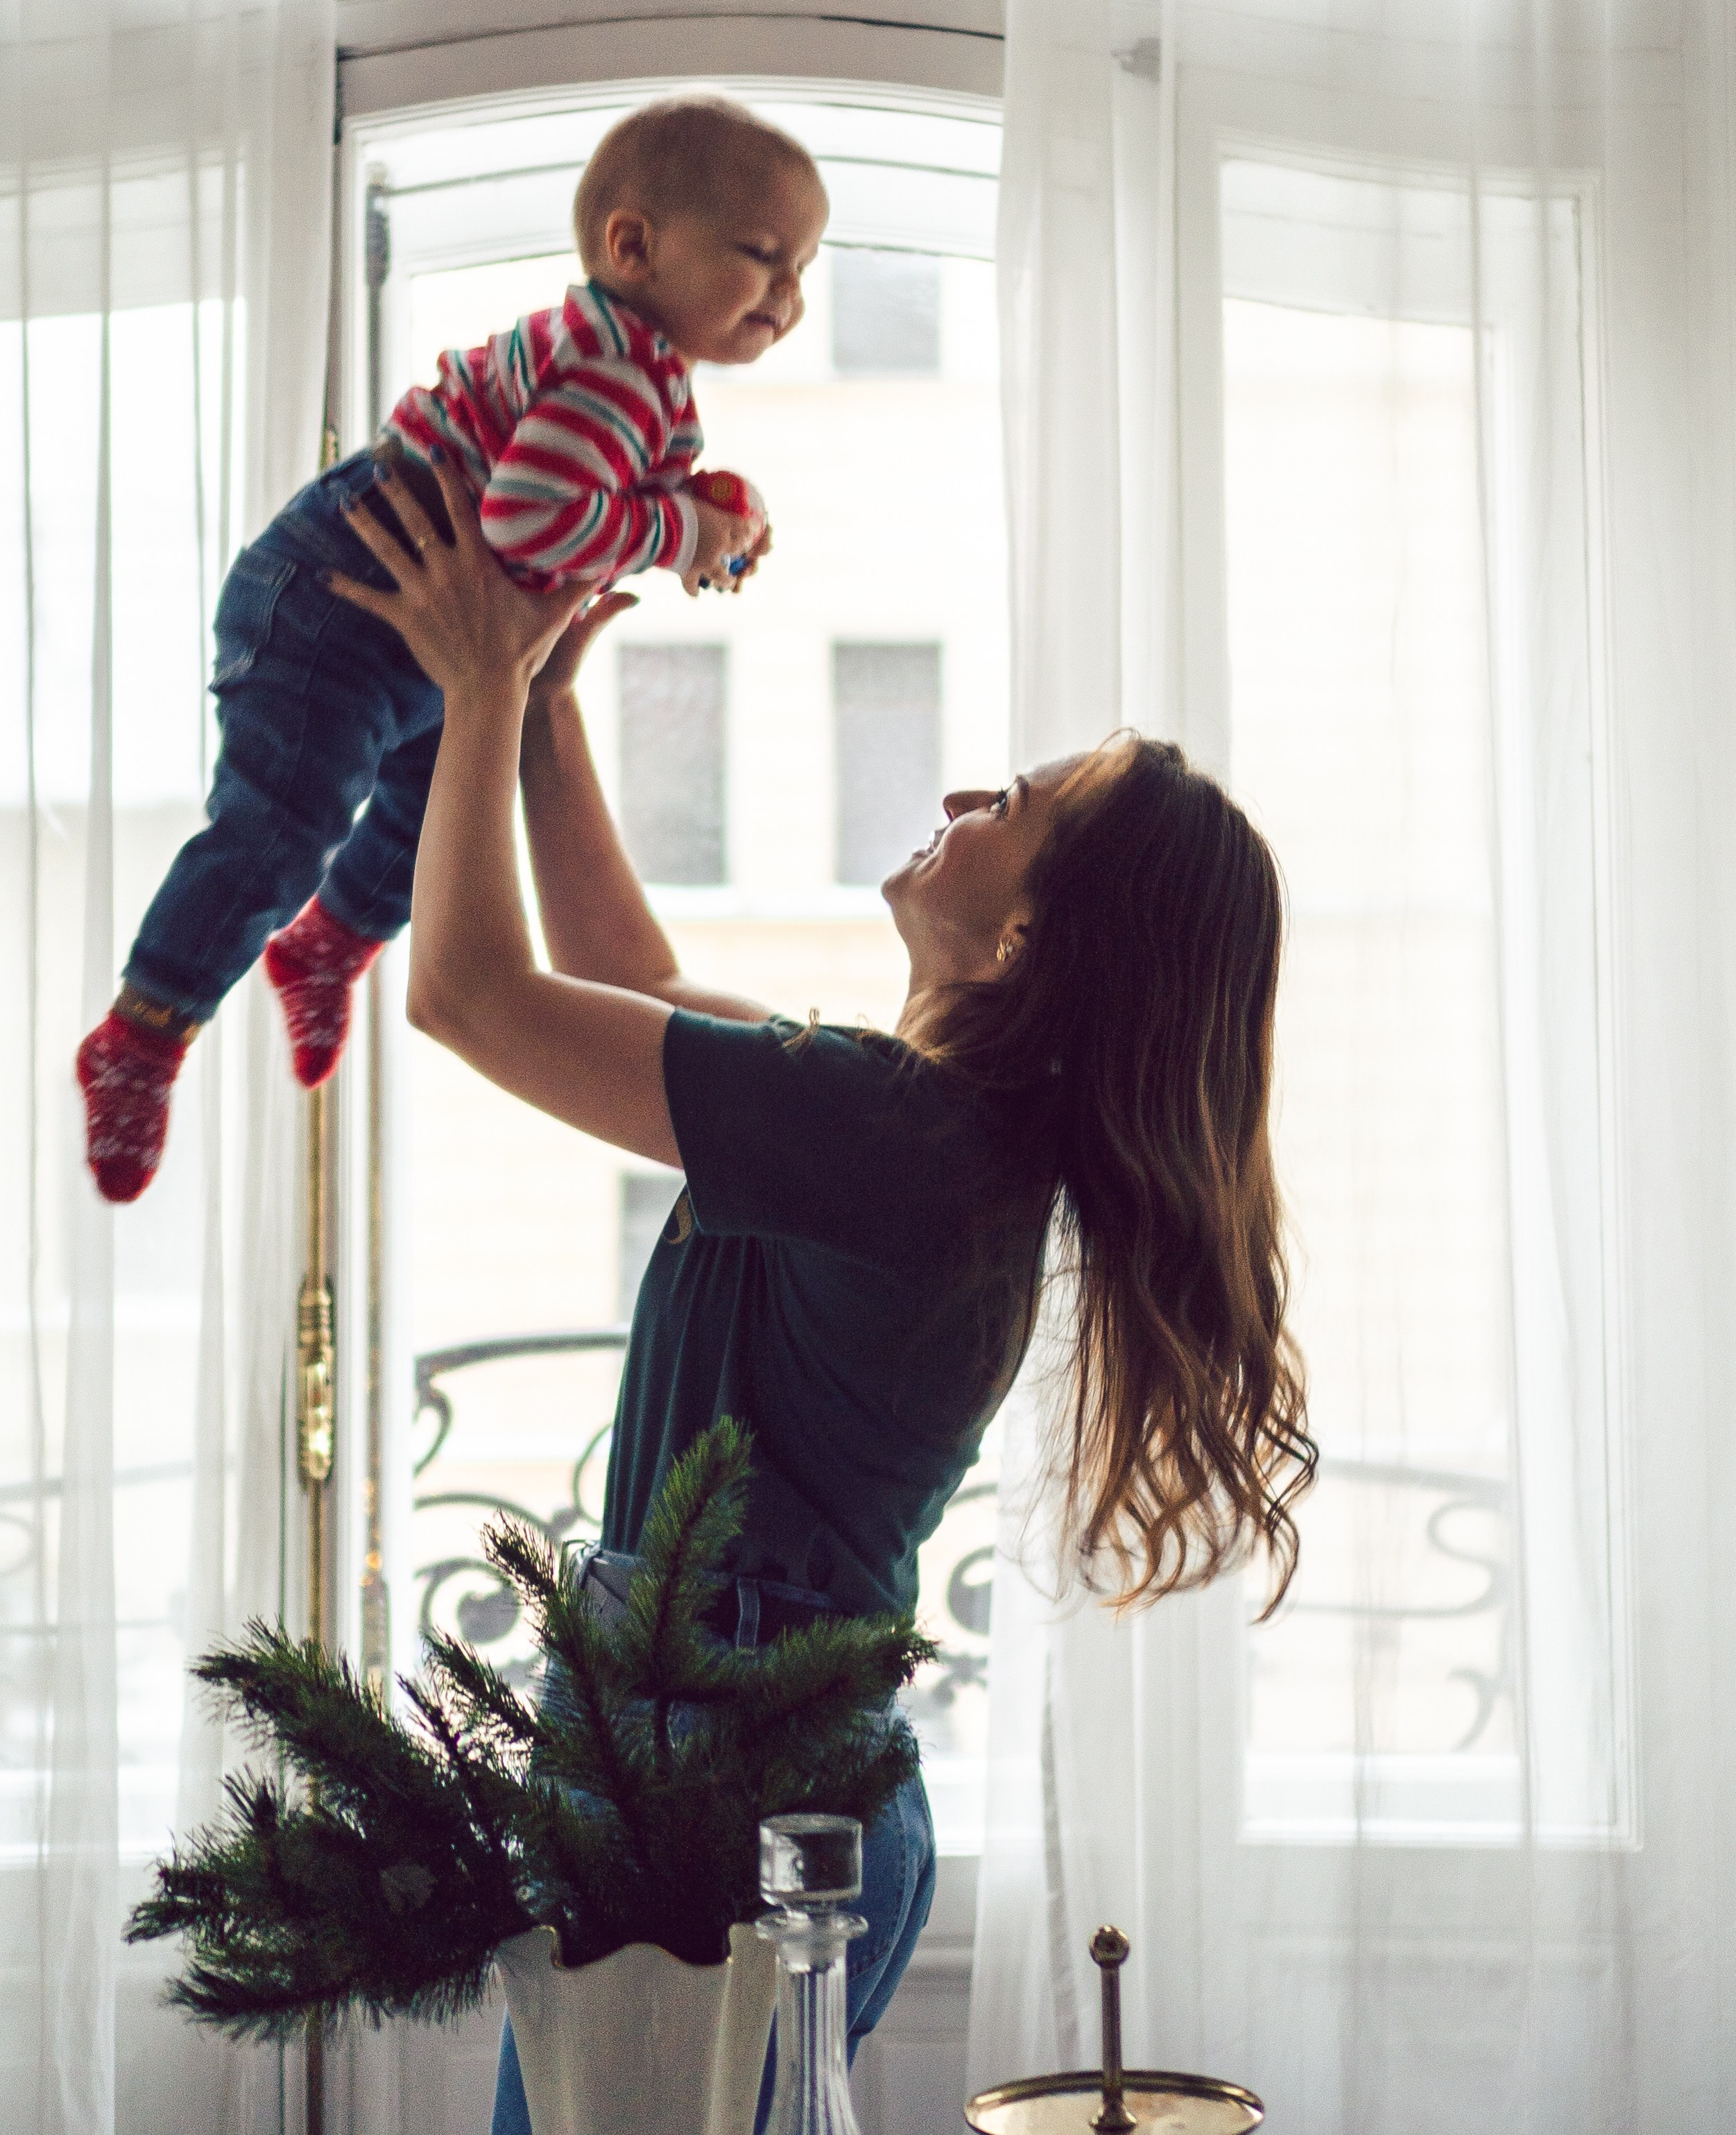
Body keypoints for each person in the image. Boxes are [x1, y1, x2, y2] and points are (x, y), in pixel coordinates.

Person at [322, 453, 1316, 2128]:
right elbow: (624, 976)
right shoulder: (910, 1125)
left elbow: (470, 992)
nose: (965, 797)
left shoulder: (901, 1135)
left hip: (725, 1779)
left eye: (1016, 805)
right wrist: (554, 706)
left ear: (1031, 945)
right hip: (750, 1767)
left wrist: (482, 678)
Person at [75, 94, 827, 1205]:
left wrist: (701, 507)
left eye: (804, 270)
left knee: (433, 822)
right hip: (334, 605)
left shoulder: (634, 368)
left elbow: (591, 499)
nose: (789, 299)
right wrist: (680, 533)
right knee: (285, 826)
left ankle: (328, 945)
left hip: (407, 625)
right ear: (633, 245)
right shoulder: (615, 369)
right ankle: (145, 1026)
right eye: (763, 258)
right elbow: (532, 520)